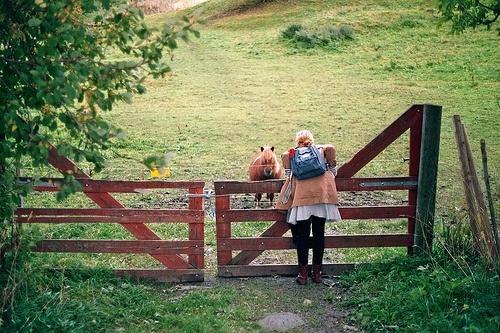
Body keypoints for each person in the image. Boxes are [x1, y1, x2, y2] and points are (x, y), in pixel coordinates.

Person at [276, 130, 341, 285]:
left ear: (297, 141)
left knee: (302, 237)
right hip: (321, 197)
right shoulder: (322, 151)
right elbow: (334, 172)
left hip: (302, 198)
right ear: (312, 140)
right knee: (319, 235)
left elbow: (288, 175)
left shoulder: (292, 154)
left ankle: (303, 275)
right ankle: (317, 274)